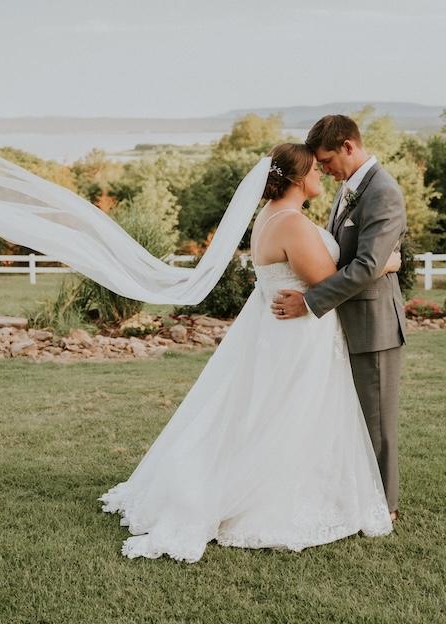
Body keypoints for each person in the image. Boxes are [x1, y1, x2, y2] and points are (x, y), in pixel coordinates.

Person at [100, 141, 402, 562]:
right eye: (315, 169)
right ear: (298, 178)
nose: (321, 173)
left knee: (265, 413)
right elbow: (327, 278)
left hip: (276, 330)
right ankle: (269, 495)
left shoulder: (270, 215)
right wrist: (386, 263)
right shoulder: (292, 223)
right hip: (298, 334)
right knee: (289, 415)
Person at [272, 115, 408, 522]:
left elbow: (367, 265)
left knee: (375, 422)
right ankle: (352, 495)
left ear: (349, 146)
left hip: (373, 325)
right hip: (343, 322)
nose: (324, 170)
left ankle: (384, 507)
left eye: (327, 161)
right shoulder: (349, 187)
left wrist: (310, 301)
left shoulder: (383, 191)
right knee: (350, 419)